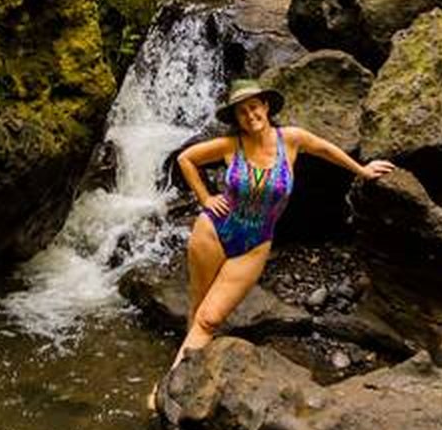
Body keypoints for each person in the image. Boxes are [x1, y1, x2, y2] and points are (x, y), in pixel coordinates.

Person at [165, 78, 394, 379]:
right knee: (198, 306)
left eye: (254, 107)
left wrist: (361, 170)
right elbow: (186, 159)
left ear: (266, 107)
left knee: (210, 319)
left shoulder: (291, 139)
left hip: (255, 243)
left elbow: (325, 149)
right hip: (213, 231)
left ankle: (177, 378)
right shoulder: (230, 145)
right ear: (236, 119)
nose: (250, 116)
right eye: (242, 112)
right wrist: (206, 197)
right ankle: (179, 377)